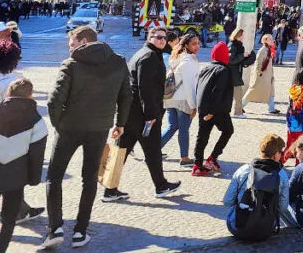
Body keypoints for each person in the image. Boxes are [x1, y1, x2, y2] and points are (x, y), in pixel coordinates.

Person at [42, 26, 131, 249]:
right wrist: (120, 124)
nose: (69, 47)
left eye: (71, 43)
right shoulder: (118, 62)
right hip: (99, 128)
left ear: (82, 41)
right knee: (89, 178)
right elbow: (126, 96)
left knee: (54, 176)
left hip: (69, 128)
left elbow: (54, 102)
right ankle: (81, 231)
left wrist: (59, 124)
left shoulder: (71, 64)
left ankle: (55, 228)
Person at [104, 26, 179, 202]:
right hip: (143, 115)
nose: (161, 40)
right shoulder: (149, 57)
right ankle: (160, 186)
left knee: (128, 150)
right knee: (143, 150)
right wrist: (151, 115)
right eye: (158, 37)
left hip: (133, 114)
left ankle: (110, 189)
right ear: (150, 37)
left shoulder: (146, 53)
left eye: (164, 38)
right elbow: (145, 89)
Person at [0, 78, 47, 253]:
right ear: (30, 96)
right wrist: (33, 179)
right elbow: (37, 155)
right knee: (9, 219)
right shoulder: (37, 121)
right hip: (16, 176)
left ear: (9, 93)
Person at [223, 133, 296, 240]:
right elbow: (282, 207)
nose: (281, 155)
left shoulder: (243, 170)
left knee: (235, 207)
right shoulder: (281, 175)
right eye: (281, 152)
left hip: (238, 228)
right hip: (266, 229)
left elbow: (227, 201)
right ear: (275, 154)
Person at [192, 41, 234, 177]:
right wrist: (212, 112)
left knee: (202, 136)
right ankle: (212, 158)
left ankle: (197, 165)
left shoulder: (206, 67)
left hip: (203, 107)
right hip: (216, 109)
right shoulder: (223, 70)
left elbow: (198, 87)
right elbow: (218, 92)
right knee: (228, 131)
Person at [161, 31, 200, 166]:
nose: (197, 46)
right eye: (194, 44)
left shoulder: (176, 58)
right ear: (187, 45)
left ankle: (153, 150)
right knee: (183, 129)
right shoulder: (189, 61)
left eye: (198, 43)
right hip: (183, 100)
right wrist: (193, 106)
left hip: (170, 97)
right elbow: (190, 86)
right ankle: (184, 158)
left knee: (172, 126)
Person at [241, 33, 278, 115]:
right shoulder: (263, 50)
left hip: (268, 75)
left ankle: (271, 108)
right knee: (252, 92)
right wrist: (260, 73)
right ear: (265, 41)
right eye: (270, 39)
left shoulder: (268, 49)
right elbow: (258, 63)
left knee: (271, 91)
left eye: (272, 39)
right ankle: (240, 106)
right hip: (262, 76)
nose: (272, 40)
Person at [284, 68, 303, 164]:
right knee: (299, 145)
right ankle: (296, 166)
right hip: (300, 122)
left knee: (291, 144)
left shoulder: (294, 88)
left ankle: (279, 163)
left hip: (292, 121)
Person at [227, 28, 257, 118]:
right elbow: (230, 60)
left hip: (236, 72)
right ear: (238, 35)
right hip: (232, 73)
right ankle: (237, 112)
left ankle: (236, 111)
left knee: (234, 94)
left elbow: (238, 60)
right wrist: (242, 55)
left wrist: (247, 61)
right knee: (237, 94)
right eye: (242, 35)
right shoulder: (233, 45)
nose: (243, 36)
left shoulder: (238, 44)